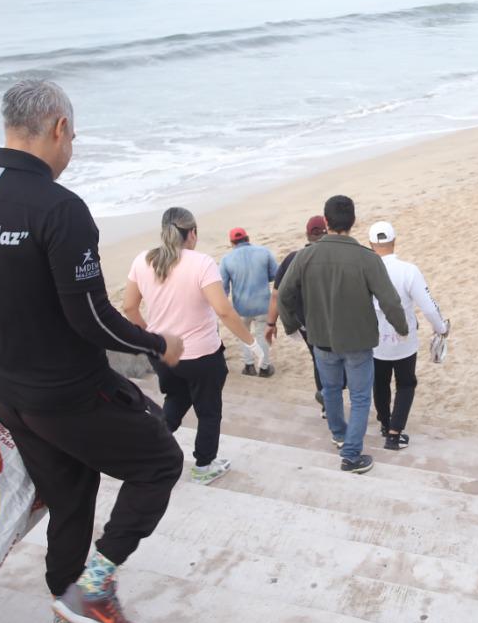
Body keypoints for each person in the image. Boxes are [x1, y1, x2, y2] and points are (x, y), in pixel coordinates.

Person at [0, 79, 186, 623]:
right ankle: (91, 591)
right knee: (159, 463)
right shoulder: (60, 208)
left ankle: (64, 615)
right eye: (73, 135)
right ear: (59, 128)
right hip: (70, 392)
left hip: (12, 392)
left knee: (70, 497)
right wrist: (155, 344)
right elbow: (90, 315)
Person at [122, 208, 262, 485]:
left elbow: (129, 307)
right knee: (208, 411)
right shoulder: (202, 263)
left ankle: (149, 454)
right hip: (202, 356)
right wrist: (252, 342)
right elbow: (223, 311)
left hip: (163, 354)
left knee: (175, 400)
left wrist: (151, 336)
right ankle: (204, 465)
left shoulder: (142, 260)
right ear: (192, 233)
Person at [276, 195, 408, 474]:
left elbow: (283, 293)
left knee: (331, 390)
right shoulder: (367, 258)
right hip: (358, 341)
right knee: (359, 398)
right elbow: (390, 301)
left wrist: (291, 326)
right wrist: (402, 328)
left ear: (326, 221)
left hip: (321, 338)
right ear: (353, 221)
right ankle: (350, 455)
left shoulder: (305, 256)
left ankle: (339, 434)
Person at [365, 221, 449, 449]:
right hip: (404, 340)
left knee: (380, 384)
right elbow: (428, 306)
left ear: (371, 244)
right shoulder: (408, 270)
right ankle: (394, 433)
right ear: (394, 241)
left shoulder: (365, 269)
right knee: (406, 384)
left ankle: (385, 424)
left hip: (375, 340)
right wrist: (440, 328)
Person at [265, 215, 328, 407]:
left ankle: (326, 402)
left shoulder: (293, 258)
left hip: (306, 323)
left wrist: (271, 323)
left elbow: (276, 295)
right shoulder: (334, 256)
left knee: (318, 359)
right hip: (334, 320)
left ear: (307, 235)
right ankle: (330, 396)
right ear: (327, 232)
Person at [219, 227, 277, 377]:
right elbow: (274, 275)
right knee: (262, 335)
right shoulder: (264, 252)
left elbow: (224, 288)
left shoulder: (226, 260)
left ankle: (249, 366)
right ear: (248, 238)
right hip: (263, 304)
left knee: (244, 335)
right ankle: (264, 368)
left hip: (241, 307)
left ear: (232, 242)